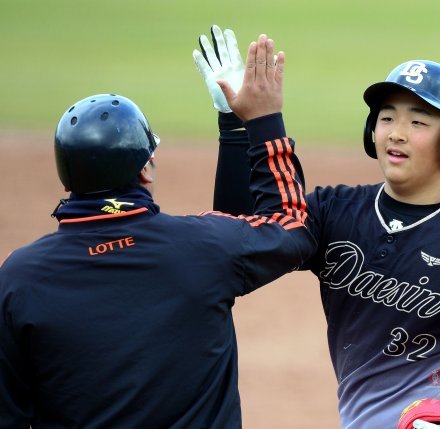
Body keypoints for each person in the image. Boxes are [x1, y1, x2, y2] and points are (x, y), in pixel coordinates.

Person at [194, 26, 440, 429]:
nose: (397, 133)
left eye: (418, 122)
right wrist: (236, 124)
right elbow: (240, 241)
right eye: (387, 118)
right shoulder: (334, 212)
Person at [0, 33, 315, 428]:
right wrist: (255, 123)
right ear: (145, 169)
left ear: (67, 179)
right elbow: (289, 226)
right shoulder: (203, 249)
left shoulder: (18, 280)